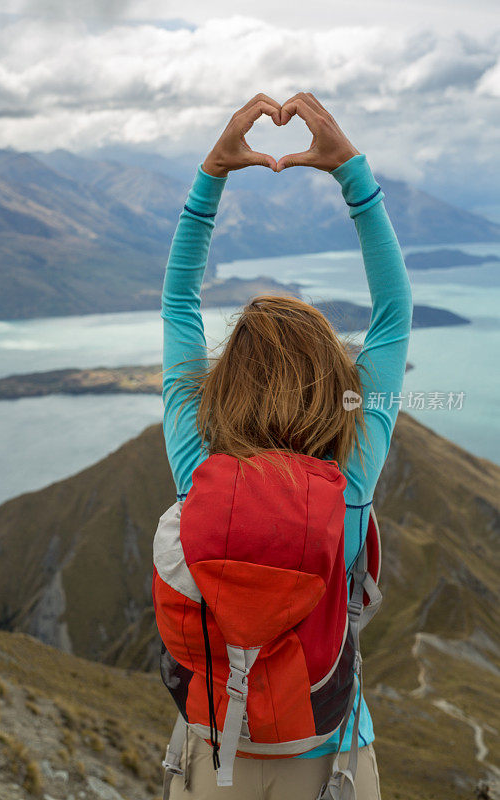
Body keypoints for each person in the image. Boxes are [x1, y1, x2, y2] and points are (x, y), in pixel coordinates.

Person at [160, 91, 413, 800]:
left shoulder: (195, 465)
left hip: (213, 758)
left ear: (228, 377)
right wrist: (351, 174)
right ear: (332, 377)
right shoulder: (350, 473)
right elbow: (394, 312)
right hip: (329, 760)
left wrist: (212, 171)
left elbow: (178, 302)